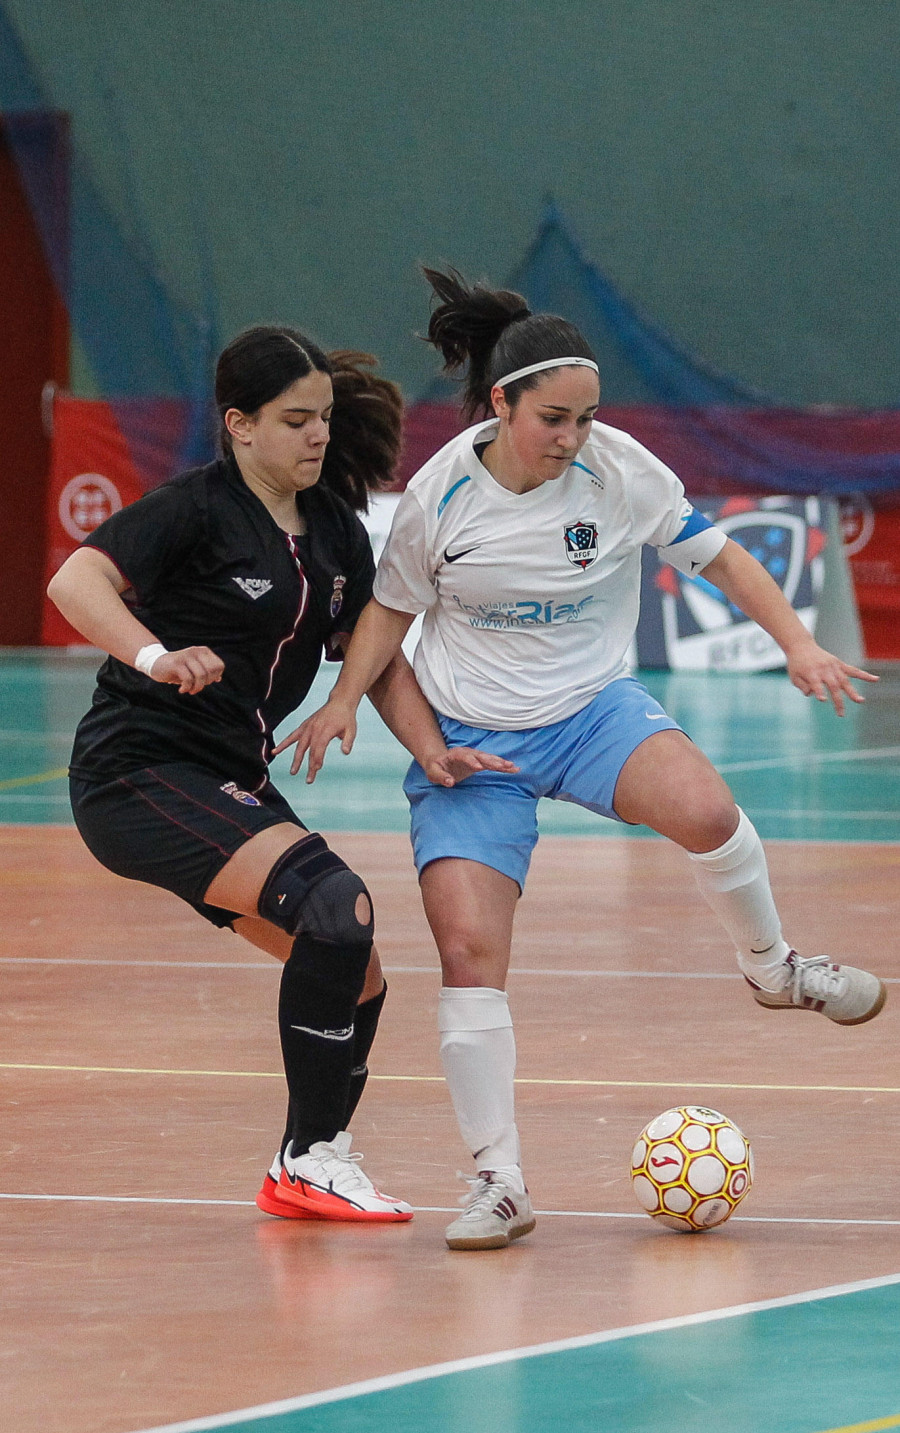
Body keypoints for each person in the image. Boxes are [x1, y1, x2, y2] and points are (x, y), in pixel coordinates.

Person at [279, 270, 886, 1252]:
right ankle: (500, 1180)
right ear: (502, 404)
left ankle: (775, 970)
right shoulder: (442, 498)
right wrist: (346, 697)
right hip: (476, 745)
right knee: (470, 954)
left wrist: (798, 643)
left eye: (588, 418)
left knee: (708, 810)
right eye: (554, 418)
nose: (573, 437)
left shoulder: (620, 470)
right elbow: (388, 613)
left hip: (592, 712)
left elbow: (721, 557)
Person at [47, 323, 514, 1225]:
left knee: (355, 966)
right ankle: (312, 1157)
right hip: (135, 771)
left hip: (227, 778)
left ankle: (304, 1164)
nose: (317, 437)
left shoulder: (337, 529)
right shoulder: (195, 507)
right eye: (295, 419)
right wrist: (153, 655)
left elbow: (376, 656)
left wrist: (426, 746)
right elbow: (77, 581)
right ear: (239, 425)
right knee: (335, 906)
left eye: (325, 419)